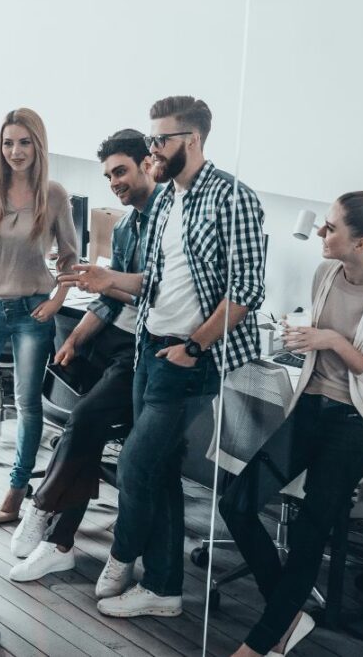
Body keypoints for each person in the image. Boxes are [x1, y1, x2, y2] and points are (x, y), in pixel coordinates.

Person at [62, 96, 266, 618]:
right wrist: (106, 278)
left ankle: (124, 555)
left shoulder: (232, 198)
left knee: (134, 463)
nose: (153, 148)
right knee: (159, 469)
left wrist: (195, 345)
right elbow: (152, 283)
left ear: (192, 140)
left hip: (188, 357)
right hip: (149, 349)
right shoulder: (170, 201)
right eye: (152, 139)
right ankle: (165, 588)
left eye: (161, 140)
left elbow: (247, 290)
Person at [219, 188, 363, 657]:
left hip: (353, 423)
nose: (321, 233)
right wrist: (305, 338)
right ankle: (287, 615)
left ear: (362, 242)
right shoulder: (325, 273)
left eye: (331, 227)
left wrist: (331, 340)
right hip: (309, 408)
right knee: (237, 503)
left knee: (310, 533)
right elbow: (318, 348)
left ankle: (263, 642)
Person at [7, 129, 160, 582]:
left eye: (121, 171)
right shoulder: (129, 227)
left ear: (145, 165)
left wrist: (109, 282)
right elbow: (111, 299)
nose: (114, 181)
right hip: (113, 340)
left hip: (144, 349)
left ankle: (43, 508)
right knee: (85, 432)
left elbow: (160, 298)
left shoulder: (168, 223)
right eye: (109, 174)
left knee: (85, 419)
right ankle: (60, 544)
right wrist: (76, 339)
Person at [0, 107, 78, 523]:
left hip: (32, 311)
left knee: (27, 402)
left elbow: (70, 260)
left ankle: (16, 489)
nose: (15, 151)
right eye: (8, 143)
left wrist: (58, 299)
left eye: (24, 142)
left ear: (37, 145)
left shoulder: (55, 195)